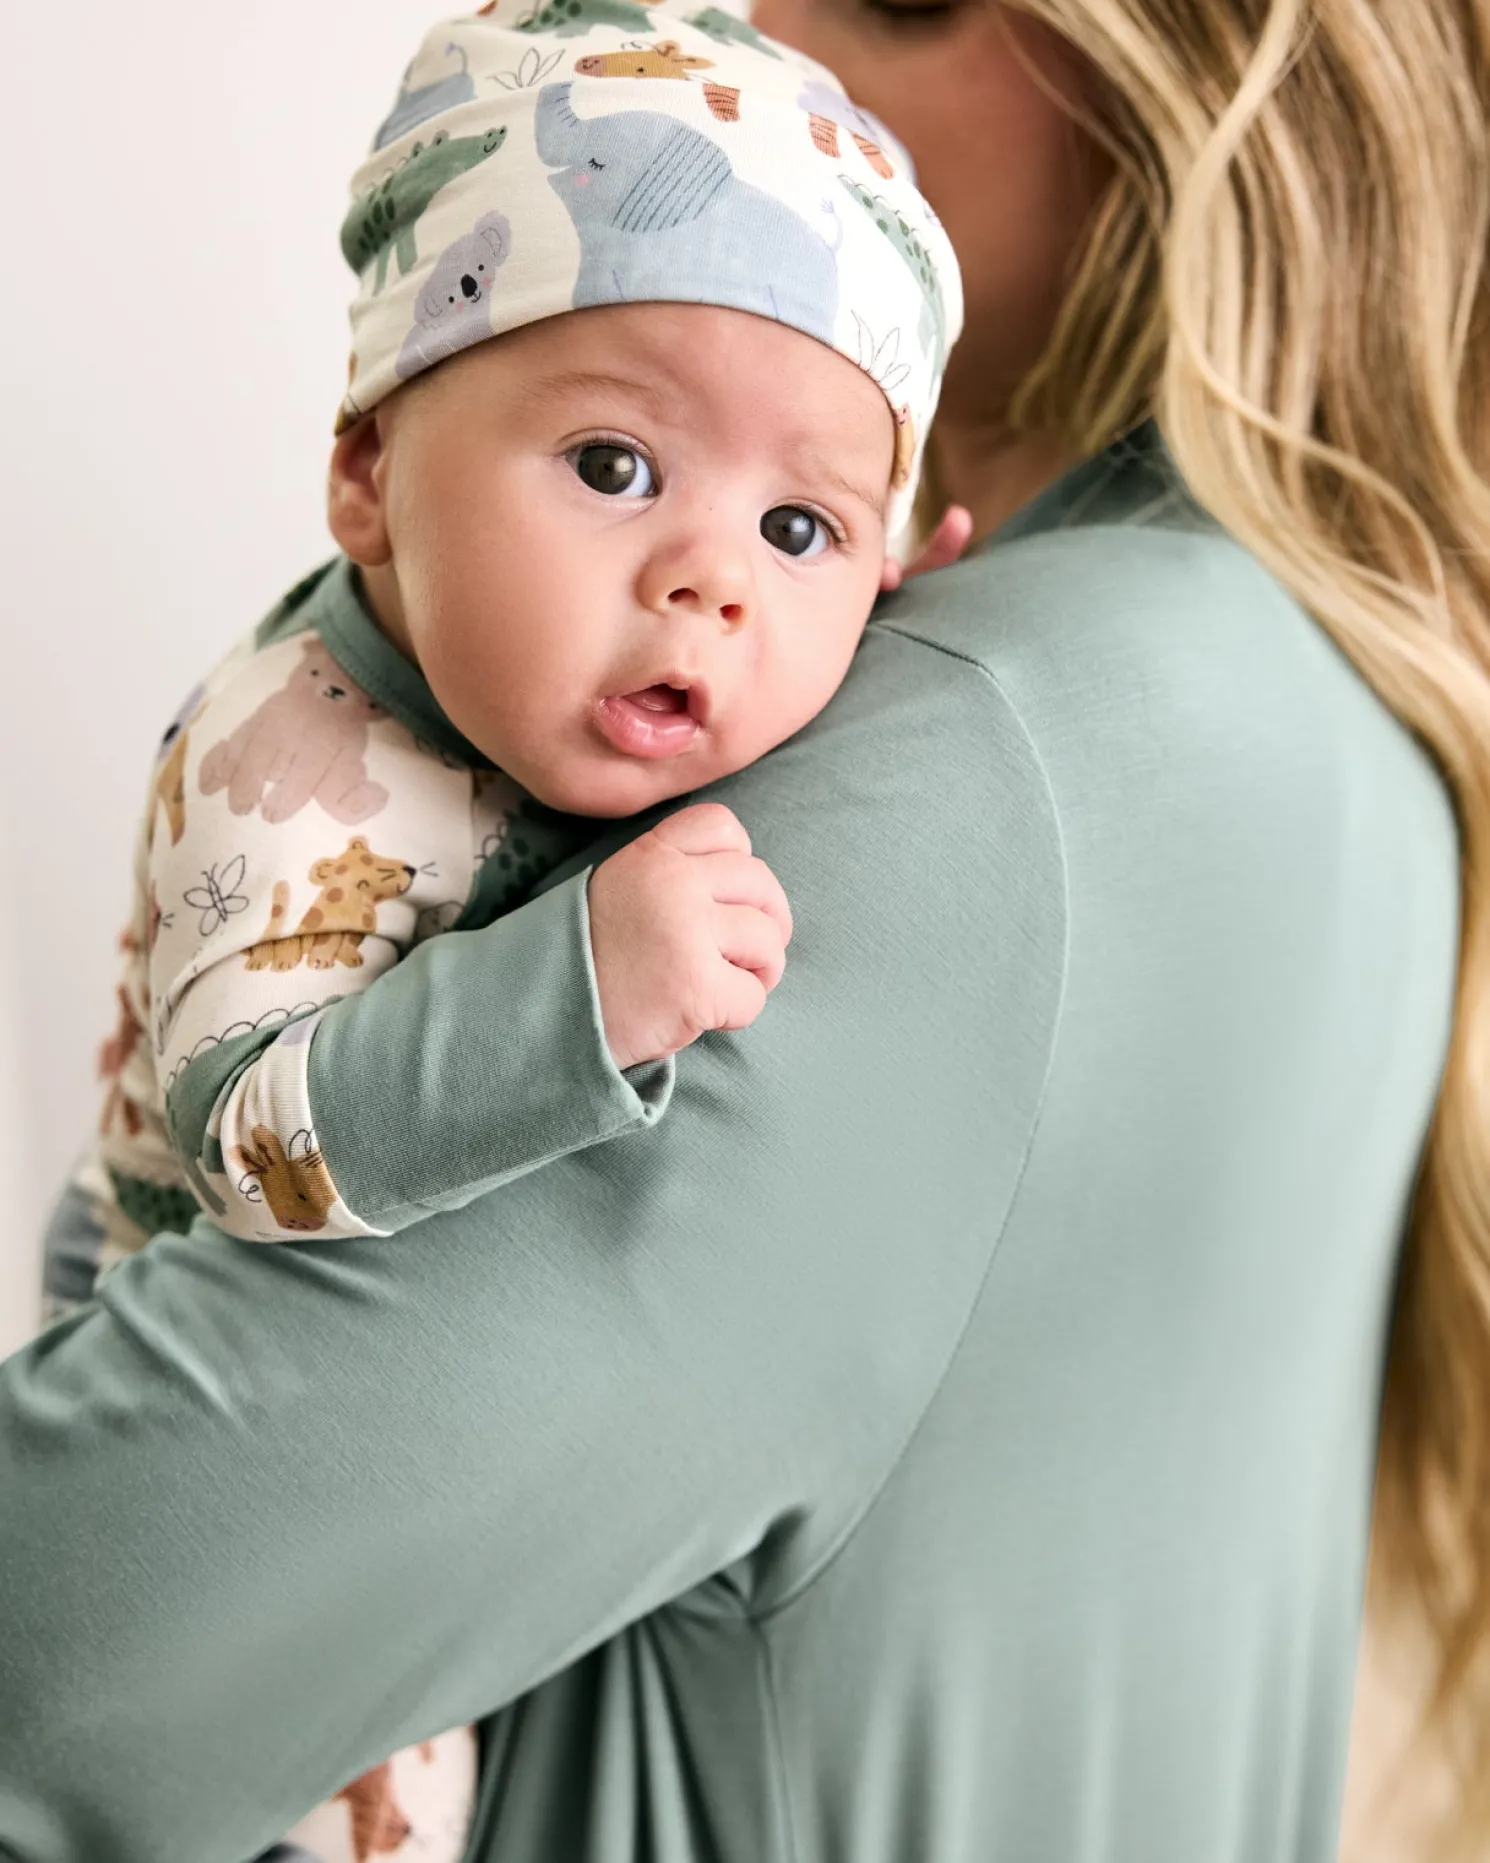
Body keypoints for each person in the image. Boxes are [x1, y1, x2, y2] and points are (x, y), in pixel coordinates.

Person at [2, 0, 1486, 1859]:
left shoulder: (962, 766)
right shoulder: (1345, 718)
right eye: (615, 466)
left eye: (903, 2)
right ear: (367, 469)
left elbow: (56, 1662)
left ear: (1211, 101)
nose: (759, 27)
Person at [34, 9, 963, 1860]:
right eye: (616, 466)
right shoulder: (299, 755)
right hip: (203, 1469)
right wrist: (577, 986)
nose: (705, 577)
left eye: (797, 527)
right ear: (368, 473)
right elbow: (255, 1138)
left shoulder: (567, 682)